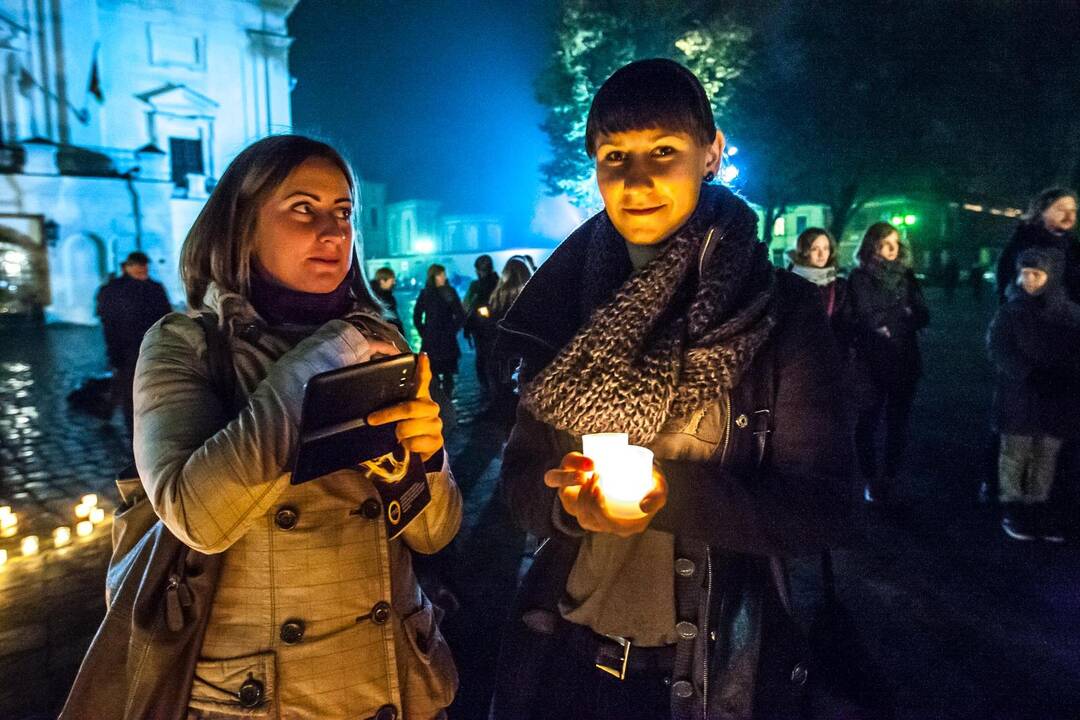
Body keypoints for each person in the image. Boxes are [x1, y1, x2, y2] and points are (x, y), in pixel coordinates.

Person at [491, 59, 851, 720]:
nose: (637, 180)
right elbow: (520, 480)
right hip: (564, 659)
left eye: (664, 151)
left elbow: (822, 507)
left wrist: (669, 496)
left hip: (707, 678)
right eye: (614, 156)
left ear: (710, 153)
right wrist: (567, 509)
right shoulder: (562, 308)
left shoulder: (779, 314)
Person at [129, 136, 461, 718]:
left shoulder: (382, 343)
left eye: (343, 212)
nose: (332, 232)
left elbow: (434, 534)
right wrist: (334, 347)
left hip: (393, 682)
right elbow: (196, 516)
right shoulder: (184, 344)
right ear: (242, 224)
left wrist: (428, 461)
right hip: (264, 696)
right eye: (302, 209)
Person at [988, 248, 1080, 542]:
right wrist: (1029, 373)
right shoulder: (1011, 310)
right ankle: (1013, 506)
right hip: (1020, 395)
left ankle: (1038, 505)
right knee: (1016, 453)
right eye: (1024, 274)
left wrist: (1064, 374)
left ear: (1050, 277)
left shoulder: (1068, 314)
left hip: (1056, 397)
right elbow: (998, 347)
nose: (1029, 280)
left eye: (1036, 274)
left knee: (1045, 454)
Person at [844, 222, 930, 506]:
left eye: (895, 243)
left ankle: (890, 477)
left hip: (904, 359)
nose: (892, 249)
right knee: (867, 422)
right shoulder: (859, 277)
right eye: (885, 243)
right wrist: (897, 314)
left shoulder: (906, 276)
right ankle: (870, 478)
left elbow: (922, 315)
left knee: (898, 425)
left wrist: (895, 317)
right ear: (872, 246)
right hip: (871, 363)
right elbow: (867, 316)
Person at [94, 250, 172, 434]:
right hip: (126, 345)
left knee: (124, 381)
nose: (142, 272)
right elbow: (109, 322)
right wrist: (113, 351)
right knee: (128, 386)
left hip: (151, 344)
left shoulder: (155, 288)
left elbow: (165, 315)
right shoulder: (112, 290)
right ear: (127, 267)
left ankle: (108, 411)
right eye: (138, 269)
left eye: (144, 269)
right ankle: (133, 429)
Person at [996, 187, 1079, 303]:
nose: (1069, 216)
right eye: (1061, 209)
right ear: (1042, 211)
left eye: (1073, 210)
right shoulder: (1025, 240)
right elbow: (1004, 272)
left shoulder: (1073, 245)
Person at [480, 256, 533, 412]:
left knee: (503, 401)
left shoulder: (496, 298)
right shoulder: (532, 297)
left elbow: (489, 329)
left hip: (500, 359)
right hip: (525, 359)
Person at [414, 263, 465, 398]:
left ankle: (446, 398)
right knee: (433, 372)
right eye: (441, 274)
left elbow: (460, 314)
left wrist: (453, 329)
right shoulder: (426, 293)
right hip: (433, 337)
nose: (444, 277)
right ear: (434, 276)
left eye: (444, 274)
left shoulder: (448, 291)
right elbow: (417, 315)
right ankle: (438, 398)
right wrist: (423, 331)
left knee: (447, 373)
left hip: (444, 337)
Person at [787, 227, 848, 326]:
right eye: (814, 249)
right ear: (804, 251)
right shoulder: (790, 283)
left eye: (826, 248)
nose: (821, 254)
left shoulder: (839, 285)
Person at [463, 254, 498, 383]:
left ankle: (486, 388)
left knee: (482, 358)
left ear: (478, 270)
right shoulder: (499, 282)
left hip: (479, 328)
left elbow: (466, 305)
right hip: (497, 326)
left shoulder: (475, 286)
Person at [371, 265, 405, 333]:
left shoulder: (377, 296)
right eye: (392, 280)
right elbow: (391, 320)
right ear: (382, 281)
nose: (394, 283)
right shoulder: (383, 299)